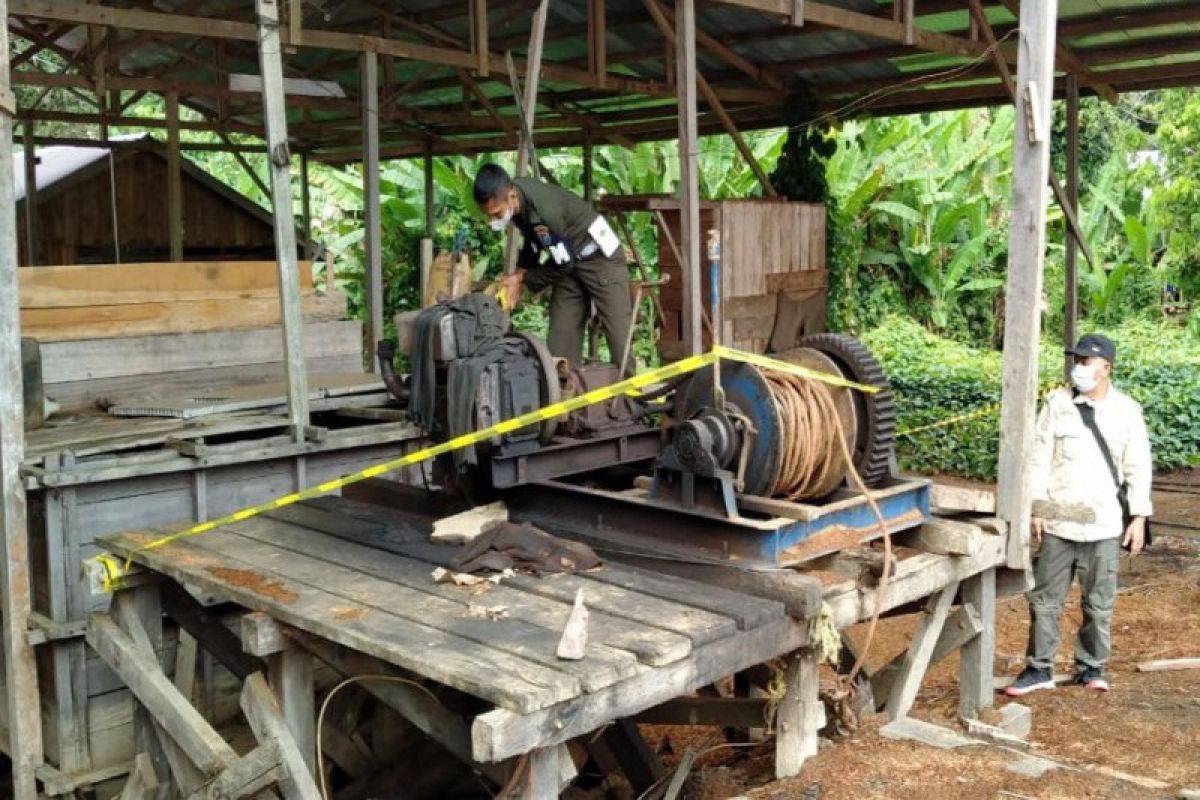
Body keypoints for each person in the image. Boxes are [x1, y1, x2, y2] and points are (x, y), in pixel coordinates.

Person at [1006, 333, 1153, 696]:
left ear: (1106, 367)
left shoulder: (1127, 411)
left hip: (1103, 525)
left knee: (1099, 604)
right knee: (1044, 601)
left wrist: (1138, 518)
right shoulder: (1057, 404)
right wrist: (1036, 506)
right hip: (1058, 522)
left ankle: (1091, 668)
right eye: (1077, 360)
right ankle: (1038, 668)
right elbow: (1039, 458)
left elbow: (1138, 467)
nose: (1079, 368)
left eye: (1087, 362)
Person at [474, 164, 633, 371]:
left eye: (496, 214)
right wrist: (518, 274)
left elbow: (562, 264)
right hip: (568, 261)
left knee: (619, 339)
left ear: (511, 196)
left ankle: (632, 397)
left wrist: (522, 280)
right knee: (560, 344)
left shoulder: (544, 212)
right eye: (488, 215)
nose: (493, 220)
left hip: (600, 259)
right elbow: (533, 242)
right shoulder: (518, 200)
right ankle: (568, 398)